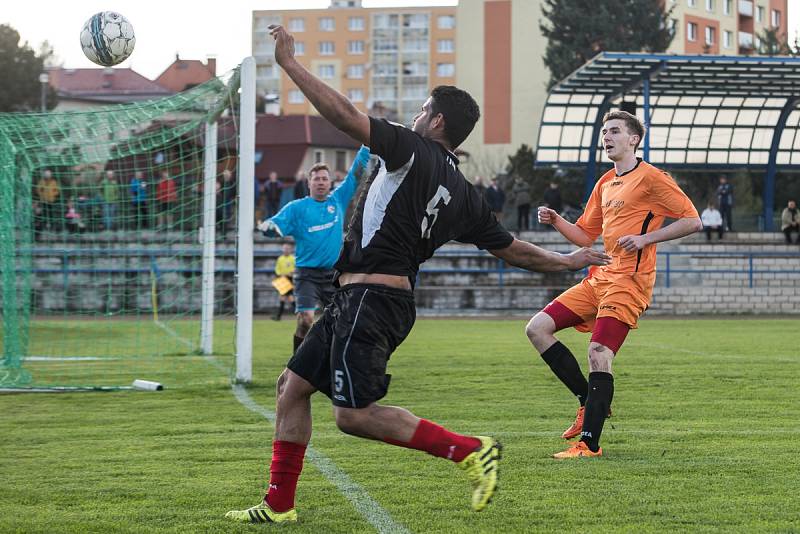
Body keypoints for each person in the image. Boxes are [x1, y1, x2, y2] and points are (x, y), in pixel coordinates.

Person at [226, 23, 610, 524]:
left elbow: (345, 117)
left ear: (436, 122)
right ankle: (279, 505)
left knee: (352, 416)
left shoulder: (411, 148)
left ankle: (470, 449)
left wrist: (291, 65)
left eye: (423, 108)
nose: (415, 115)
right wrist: (565, 262)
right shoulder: (466, 192)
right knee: (291, 387)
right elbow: (511, 249)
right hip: (361, 299)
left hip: (370, 300)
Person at [526, 110, 702, 459]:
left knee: (598, 353)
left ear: (633, 139)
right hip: (599, 277)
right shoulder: (606, 182)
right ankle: (586, 400)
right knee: (537, 328)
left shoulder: (653, 178)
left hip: (630, 281)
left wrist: (644, 239)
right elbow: (585, 235)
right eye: (604, 132)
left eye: (615, 131)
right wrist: (557, 220)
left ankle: (589, 444)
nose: (607, 137)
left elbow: (692, 221)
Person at [257, 155, 365, 355]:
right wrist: (268, 227)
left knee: (343, 322)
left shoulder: (338, 199)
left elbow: (355, 175)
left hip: (334, 275)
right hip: (307, 274)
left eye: (325, 178)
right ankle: (296, 363)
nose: (321, 182)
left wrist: (367, 146)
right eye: (317, 179)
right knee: (305, 319)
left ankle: (335, 364)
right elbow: (276, 225)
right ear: (309, 183)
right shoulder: (297, 208)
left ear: (330, 182)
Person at [273, 242, 296, 321]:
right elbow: (277, 269)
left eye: (288, 249)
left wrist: (291, 272)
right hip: (282, 279)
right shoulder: (280, 259)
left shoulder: (292, 258)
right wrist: (280, 274)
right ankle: (279, 316)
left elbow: (296, 268)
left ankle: (279, 316)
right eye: (285, 248)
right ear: (283, 249)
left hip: (290, 279)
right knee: (286, 297)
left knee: (287, 297)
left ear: (290, 250)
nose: (286, 250)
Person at [216, 169, 236, 235]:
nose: (226, 176)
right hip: (220, 203)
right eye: (225, 174)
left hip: (228, 202)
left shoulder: (232, 183)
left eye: (228, 174)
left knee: (225, 218)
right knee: (219, 218)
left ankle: (224, 235)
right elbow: (218, 190)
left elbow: (234, 191)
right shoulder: (221, 182)